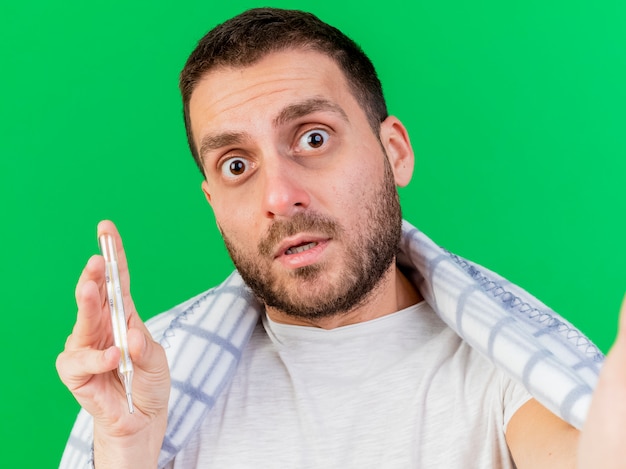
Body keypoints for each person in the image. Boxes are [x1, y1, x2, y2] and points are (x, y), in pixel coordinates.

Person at [56, 7, 626, 469]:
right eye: (236, 165)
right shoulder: (151, 386)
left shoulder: (503, 368)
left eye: (312, 137)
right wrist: (127, 451)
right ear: (212, 202)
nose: (279, 196)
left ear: (393, 152)